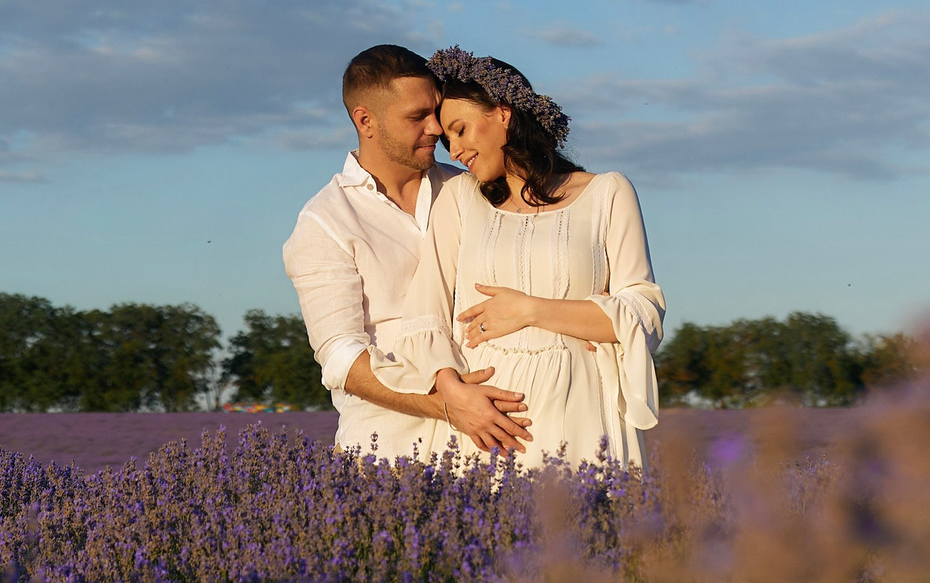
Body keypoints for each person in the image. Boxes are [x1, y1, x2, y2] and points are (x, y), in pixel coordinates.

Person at [376, 47, 664, 469]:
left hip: (581, 410)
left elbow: (643, 314)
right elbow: (425, 314)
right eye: (446, 139)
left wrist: (529, 310)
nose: (453, 150)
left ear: (502, 114)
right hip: (488, 419)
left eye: (460, 129)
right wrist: (453, 393)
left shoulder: (608, 193)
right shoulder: (459, 198)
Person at [281, 44, 534, 459]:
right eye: (417, 117)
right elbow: (342, 359)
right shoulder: (325, 220)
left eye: (436, 112)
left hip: (502, 438)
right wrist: (445, 406)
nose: (436, 128)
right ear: (366, 121)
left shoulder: (471, 189)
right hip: (390, 453)